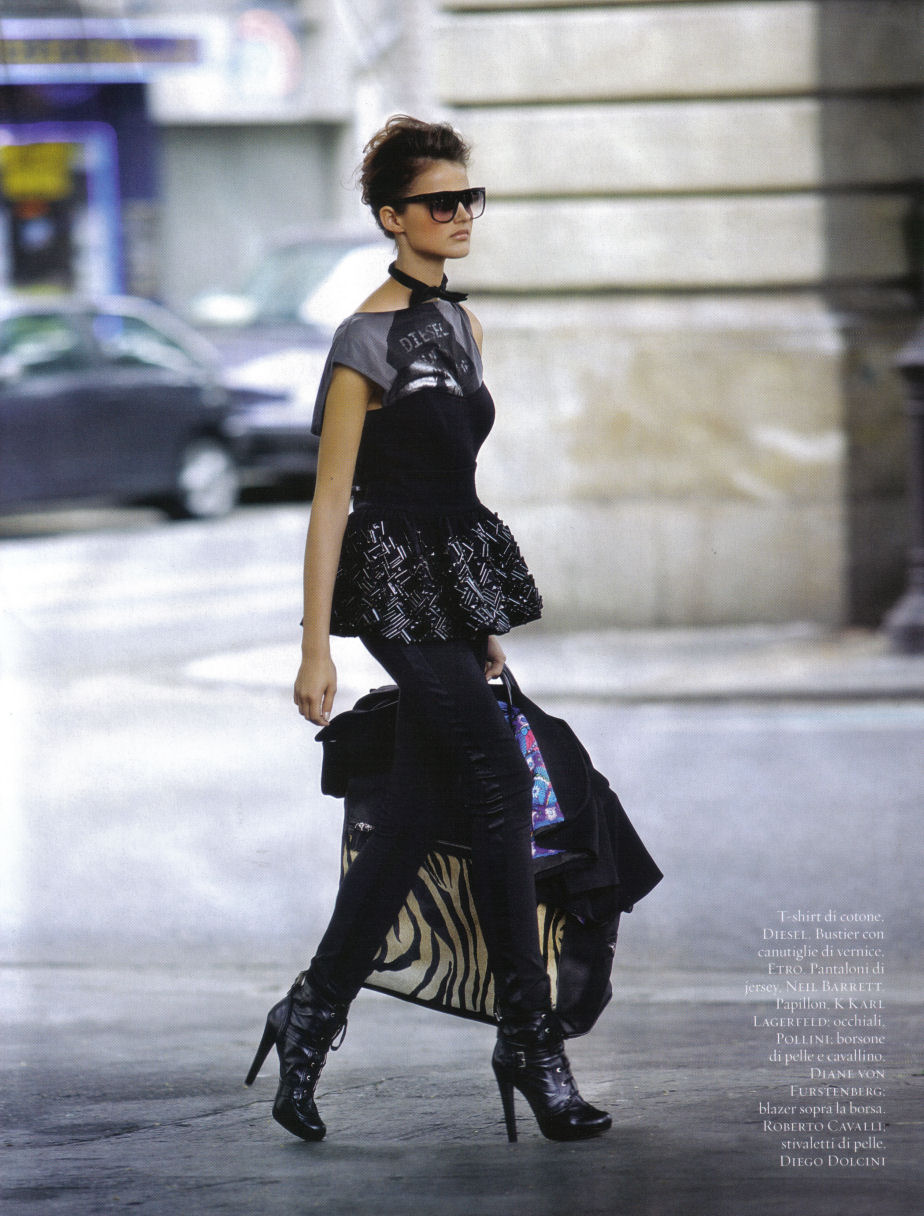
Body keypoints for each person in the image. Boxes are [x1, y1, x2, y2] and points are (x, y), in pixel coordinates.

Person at [245, 115, 610, 1144]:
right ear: (390, 218)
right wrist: (315, 646)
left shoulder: (463, 326)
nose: (460, 215)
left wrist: (479, 616)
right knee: (498, 779)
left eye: (467, 198)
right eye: (439, 202)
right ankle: (530, 1039)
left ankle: (309, 1012)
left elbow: (459, 476)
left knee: (410, 818)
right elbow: (331, 502)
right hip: (390, 580)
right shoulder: (361, 340)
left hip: (452, 580)